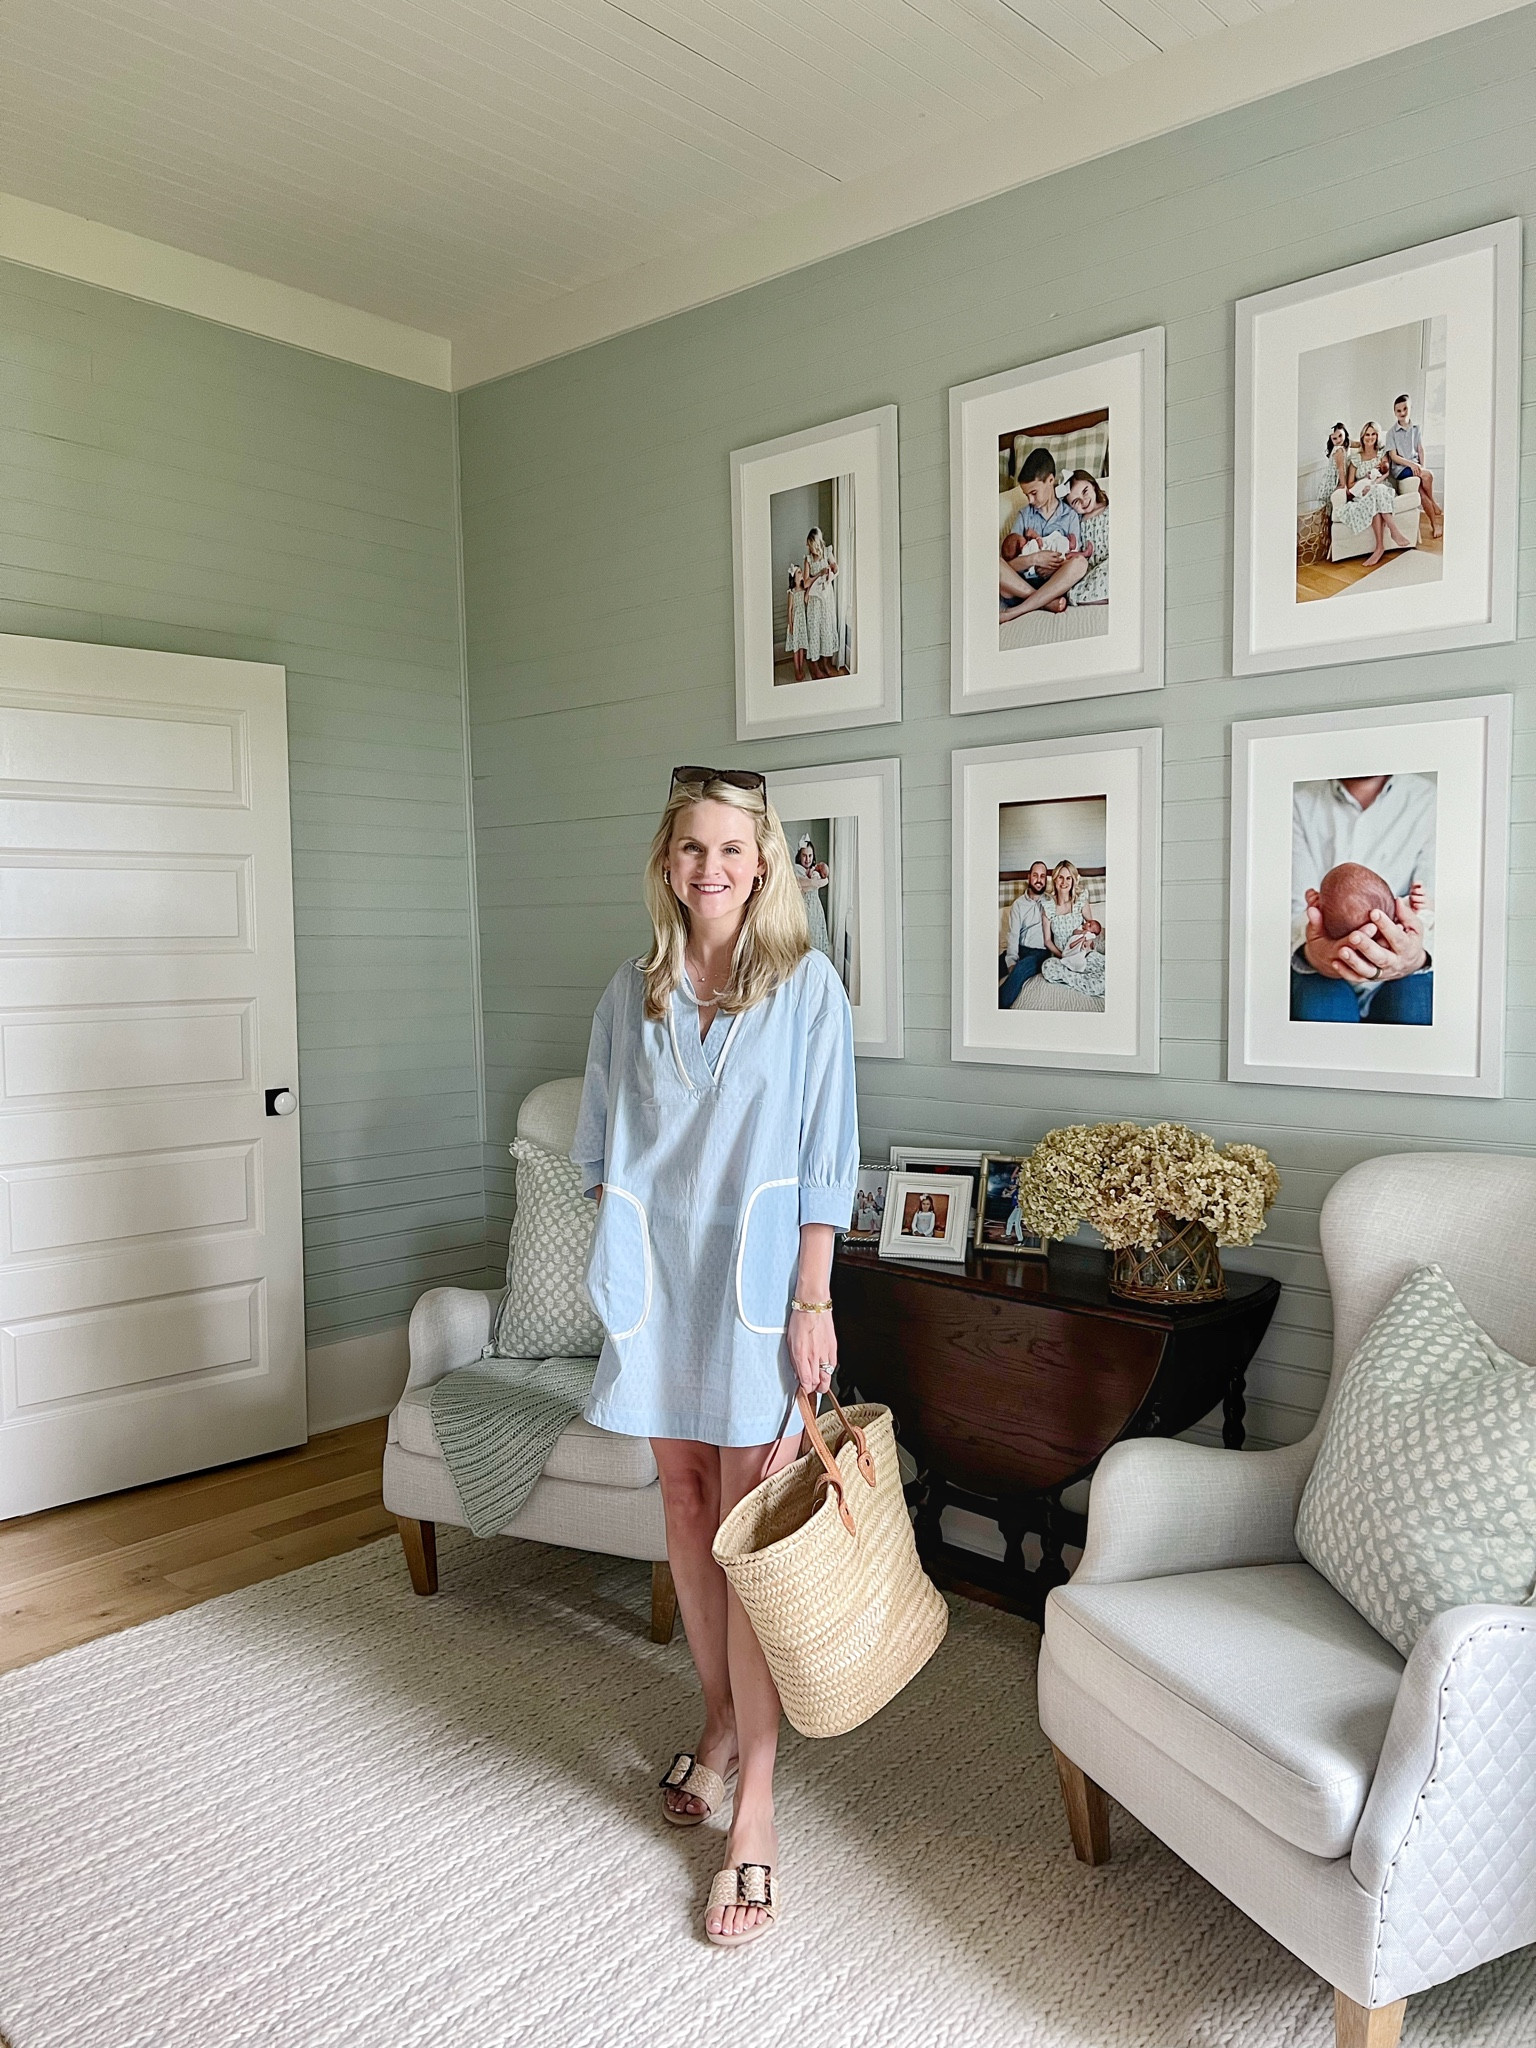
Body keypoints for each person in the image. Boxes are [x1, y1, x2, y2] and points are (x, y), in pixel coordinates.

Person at [572, 765, 858, 1946]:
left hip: (755, 1289)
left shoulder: (805, 988)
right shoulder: (630, 992)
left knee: (751, 1533)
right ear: (668, 858)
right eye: (692, 847)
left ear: (765, 859)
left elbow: (828, 1150)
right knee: (686, 1504)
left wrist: (813, 1296)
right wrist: (629, 1244)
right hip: (660, 1288)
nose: (711, 868)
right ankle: (718, 1714)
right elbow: (599, 1141)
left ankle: (755, 1812)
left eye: (732, 848)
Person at [1290, 773, 1435, 1024]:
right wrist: (1315, 950)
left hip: (1408, 964)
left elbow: (1435, 906)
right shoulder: (1298, 804)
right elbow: (1296, 908)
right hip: (1320, 958)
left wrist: (1415, 951)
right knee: (1321, 1012)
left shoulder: (1428, 799)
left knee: (1413, 1010)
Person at [999, 449, 1088, 618]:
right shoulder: (1024, 515)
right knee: (993, 565)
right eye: (1026, 496)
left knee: (1080, 563)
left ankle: (1016, 611)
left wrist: (1053, 567)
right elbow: (1009, 565)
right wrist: (1035, 559)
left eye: (1033, 493)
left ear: (1050, 480)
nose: (1030, 501)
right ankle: (1046, 602)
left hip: (1056, 584)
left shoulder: (1070, 515)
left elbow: (1073, 554)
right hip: (1022, 585)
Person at [1336, 422, 1415, 569]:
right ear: (1362, 436)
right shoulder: (1355, 459)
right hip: (1364, 493)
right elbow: (1350, 484)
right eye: (1367, 434)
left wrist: (1373, 484)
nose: (1370, 437)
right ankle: (1383, 543)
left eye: (1373, 434)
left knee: (1377, 490)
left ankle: (1389, 536)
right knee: (1374, 499)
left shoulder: (1381, 454)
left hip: (1382, 488)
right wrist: (1365, 484)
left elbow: (1386, 473)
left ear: (1377, 436)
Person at [1039, 861, 1106, 1002]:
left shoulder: (1080, 901)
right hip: (1062, 959)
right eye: (1060, 877)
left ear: (1074, 880)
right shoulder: (1048, 906)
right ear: (1055, 879)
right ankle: (1085, 982)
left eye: (1068, 878)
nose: (1064, 882)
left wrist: (1088, 944)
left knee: (1108, 969)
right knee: (1047, 967)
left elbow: (1092, 929)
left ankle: (1094, 982)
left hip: (1083, 954)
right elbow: (1047, 941)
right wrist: (1064, 957)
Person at [1385, 394, 1442, 537]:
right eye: (1399, 411)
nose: (1402, 413)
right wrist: (1412, 465)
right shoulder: (1391, 433)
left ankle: (1435, 525)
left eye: (1405, 409)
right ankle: (1434, 503)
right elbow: (1393, 456)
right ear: (1395, 412)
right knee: (1427, 475)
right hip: (1401, 469)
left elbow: (1420, 449)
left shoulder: (1416, 429)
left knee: (1422, 490)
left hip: (1415, 466)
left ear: (1410, 408)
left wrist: (1421, 466)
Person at [1000, 860, 1052, 1007]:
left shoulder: (1051, 901)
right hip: (1020, 947)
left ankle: (996, 1006)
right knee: (991, 965)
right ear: (1029, 877)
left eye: (1042, 876)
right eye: (1035, 875)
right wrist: (1011, 960)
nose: (1039, 880)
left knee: (1020, 969)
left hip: (1039, 952)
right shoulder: (1018, 904)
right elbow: (1013, 935)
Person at [1063, 470, 1110, 606]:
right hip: (1092, 570)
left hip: (1112, 559)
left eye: (1085, 491)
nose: (1083, 501)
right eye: (1075, 502)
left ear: (1093, 485)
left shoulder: (1111, 507)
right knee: (1076, 590)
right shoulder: (1077, 521)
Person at [799, 528, 840, 678]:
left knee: (826, 628)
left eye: (810, 544)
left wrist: (833, 570)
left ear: (816, 543)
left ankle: (826, 664)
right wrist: (819, 574)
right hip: (815, 600)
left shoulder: (828, 552)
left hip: (827, 598)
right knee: (815, 630)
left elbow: (835, 568)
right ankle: (815, 666)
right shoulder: (808, 560)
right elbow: (806, 583)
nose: (809, 547)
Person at [793, 835, 833, 960]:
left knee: (816, 938)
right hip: (802, 909)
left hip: (815, 909)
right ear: (799, 856)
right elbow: (799, 884)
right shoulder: (796, 870)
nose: (807, 859)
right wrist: (813, 883)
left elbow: (825, 880)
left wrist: (817, 880)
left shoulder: (815, 871)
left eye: (810, 856)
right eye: (804, 855)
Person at [784, 562, 809, 681]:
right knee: (796, 647)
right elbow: (789, 610)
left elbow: (806, 601)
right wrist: (791, 624)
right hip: (795, 622)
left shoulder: (804, 590)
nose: (801, 573)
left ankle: (801, 668)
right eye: (799, 572)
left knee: (801, 647)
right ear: (794, 577)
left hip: (802, 622)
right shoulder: (791, 592)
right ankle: (796, 669)